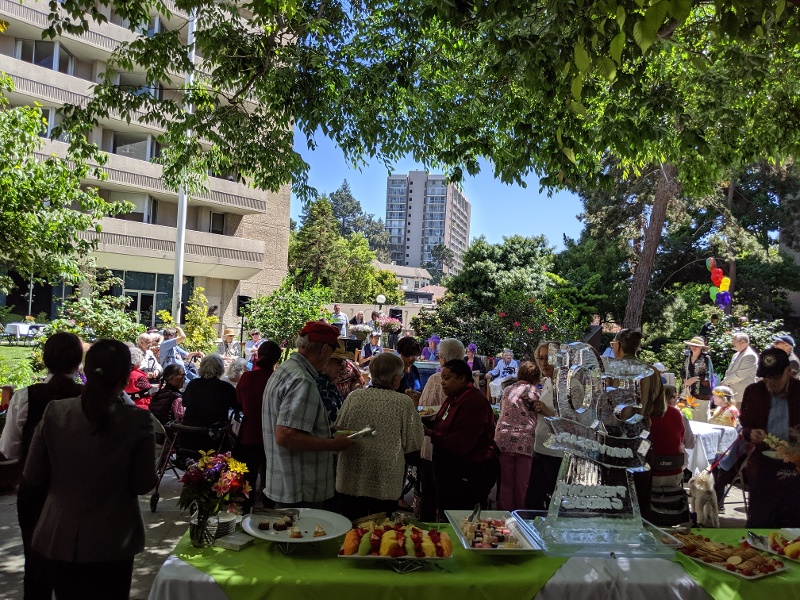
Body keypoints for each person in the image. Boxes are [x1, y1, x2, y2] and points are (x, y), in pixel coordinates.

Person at [22, 340, 156, 599]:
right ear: (125, 377)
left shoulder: (55, 412)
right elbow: (143, 483)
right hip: (115, 539)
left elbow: (32, 475)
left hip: (61, 535)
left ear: (86, 370)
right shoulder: (137, 420)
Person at [0, 332, 83, 600]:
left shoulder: (26, 397)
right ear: (78, 362)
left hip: (35, 491)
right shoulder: (90, 398)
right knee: (75, 568)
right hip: (79, 493)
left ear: (46, 360)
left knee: (36, 566)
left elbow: (9, 449)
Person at [262, 321, 354, 508]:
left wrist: (325, 430)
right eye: (332, 351)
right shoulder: (302, 380)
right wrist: (333, 444)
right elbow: (286, 436)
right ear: (324, 350)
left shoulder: (286, 369)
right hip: (301, 489)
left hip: (288, 483)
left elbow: (289, 426)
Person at [335, 352, 424, 520]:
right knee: (381, 531)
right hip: (385, 483)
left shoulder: (354, 397)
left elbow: (338, 430)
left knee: (350, 528)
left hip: (351, 480)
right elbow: (414, 443)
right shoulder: (403, 402)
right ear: (395, 379)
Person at [425, 359, 498, 512]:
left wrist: (430, 433)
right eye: (442, 378)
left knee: (461, 516)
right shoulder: (454, 397)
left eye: (447, 378)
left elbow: (461, 443)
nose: (442, 383)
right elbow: (442, 424)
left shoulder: (473, 401)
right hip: (450, 469)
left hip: (469, 472)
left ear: (462, 378)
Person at [740, 347, 800, 528]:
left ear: (788, 371)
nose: (770, 383)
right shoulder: (753, 392)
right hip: (763, 464)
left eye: (775, 378)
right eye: (765, 378)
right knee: (760, 521)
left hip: (795, 464)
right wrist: (751, 433)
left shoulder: (798, 392)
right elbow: (744, 426)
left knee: (793, 522)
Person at [612, 328, 666, 521]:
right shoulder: (652, 372)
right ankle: (643, 529)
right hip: (643, 436)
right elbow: (660, 410)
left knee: (616, 495)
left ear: (618, 346)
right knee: (641, 491)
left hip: (615, 438)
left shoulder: (612, 369)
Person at [417, 337, 465, 520]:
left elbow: (424, 411)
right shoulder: (469, 380)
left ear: (443, 358)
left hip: (434, 443)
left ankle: (428, 532)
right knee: (452, 498)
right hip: (458, 447)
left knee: (429, 496)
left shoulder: (436, 379)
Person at [235, 340, 282, 511]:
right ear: (277, 359)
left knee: (248, 480)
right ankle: (269, 512)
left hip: (250, 434)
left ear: (259, 356)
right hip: (273, 435)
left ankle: (246, 513)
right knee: (270, 479)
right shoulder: (278, 380)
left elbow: (239, 402)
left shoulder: (247, 377)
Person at [495, 361, 540, 510]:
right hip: (525, 441)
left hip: (503, 439)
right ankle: (522, 515)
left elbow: (502, 409)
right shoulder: (535, 392)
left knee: (505, 484)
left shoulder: (508, 389)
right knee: (523, 484)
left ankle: (505, 516)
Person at [525, 341, 563, 511]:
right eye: (541, 358)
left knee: (554, 505)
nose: (544, 363)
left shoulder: (571, 386)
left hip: (558, 454)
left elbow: (575, 424)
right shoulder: (547, 382)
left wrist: (547, 411)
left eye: (549, 358)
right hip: (540, 447)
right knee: (533, 502)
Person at [180, 354, 238, 453]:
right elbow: (238, 406)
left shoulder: (193, 384)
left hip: (188, 436)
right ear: (220, 369)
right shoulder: (226, 387)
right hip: (213, 439)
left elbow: (184, 403)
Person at [316, 341, 351, 424]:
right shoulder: (320, 385)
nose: (342, 366)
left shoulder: (328, 383)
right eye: (340, 362)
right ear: (327, 361)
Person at [681, 336, 714, 420]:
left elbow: (709, 375)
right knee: (689, 417)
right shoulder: (687, 358)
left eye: (696, 346)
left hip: (702, 394)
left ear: (701, 348)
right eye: (692, 345)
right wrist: (684, 379)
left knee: (702, 417)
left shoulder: (706, 359)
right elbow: (683, 372)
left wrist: (696, 378)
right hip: (689, 393)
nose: (693, 347)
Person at [721, 332, 759, 402]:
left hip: (742, 395)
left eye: (734, 342)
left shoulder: (750, 355)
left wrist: (725, 381)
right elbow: (729, 371)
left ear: (743, 342)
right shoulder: (736, 355)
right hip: (733, 394)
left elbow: (740, 374)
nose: (732, 344)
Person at [395, 336, 422, 401]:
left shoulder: (414, 369)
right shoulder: (395, 370)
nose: (413, 359)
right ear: (402, 354)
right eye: (410, 356)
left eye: (416, 355)